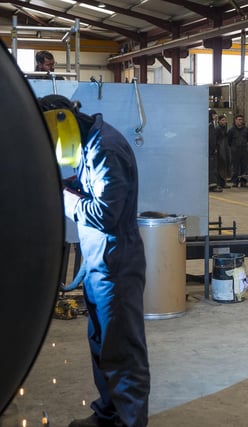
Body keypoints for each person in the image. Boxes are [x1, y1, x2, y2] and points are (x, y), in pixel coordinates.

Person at [38, 95, 150, 427]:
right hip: (99, 262)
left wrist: (61, 197)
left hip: (117, 264)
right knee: (103, 344)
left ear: (63, 122)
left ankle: (129, 423)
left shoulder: (106, 149)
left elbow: (104, 213)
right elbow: (92, 190)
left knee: (123, 353)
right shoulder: (90, 143)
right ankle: (109, 414)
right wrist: (68, 185)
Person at [228, 114, 248, 187]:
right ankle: (235, 182)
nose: (240, 121)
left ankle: (243, 182)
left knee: (244, 166)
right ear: (235, 120)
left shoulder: (246, 129)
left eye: (241, 119)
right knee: (235, 167)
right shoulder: (231, 130)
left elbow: (247, 139)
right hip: (235, 151)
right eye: (239, 119)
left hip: (244, 150)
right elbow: (229, 141)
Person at [208, 109, 223, 192]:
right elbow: (211, 138)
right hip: (211, 151)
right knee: (212, 167)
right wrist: (214, 148)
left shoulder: (211, 124)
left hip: (209, 150)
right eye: (214, 115)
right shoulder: (210, 125)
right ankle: (212, 185)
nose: (216, 116)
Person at [215, 115, 231, 189]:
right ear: (219, 121)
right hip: (220, 149)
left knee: (225, 166)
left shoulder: (225, 129)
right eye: (223, 120)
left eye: (225, 120)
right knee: (220, 167)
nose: (224, 122)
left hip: (225, 149)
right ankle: (218, 183)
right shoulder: (218, 129)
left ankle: (223, 182)